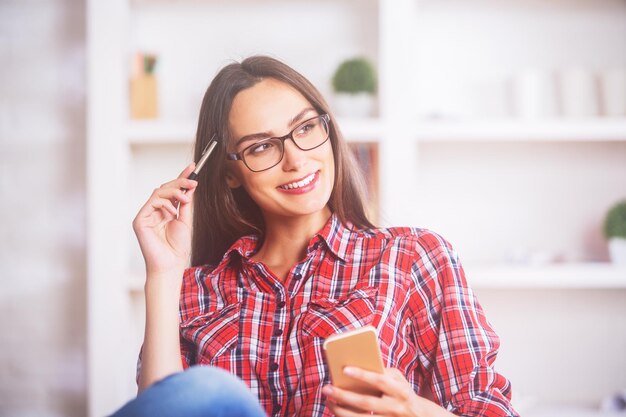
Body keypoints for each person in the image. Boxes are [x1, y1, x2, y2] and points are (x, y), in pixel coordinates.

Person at [112, 55, 519, 417]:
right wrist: (164, 273)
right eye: (261, 148)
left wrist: (412, 410)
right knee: (203, 392)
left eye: (306, 128)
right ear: (231, 173)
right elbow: (161, 407)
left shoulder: (412, 257)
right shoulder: (195, 291)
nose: (296, 159)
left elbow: (487, 407)